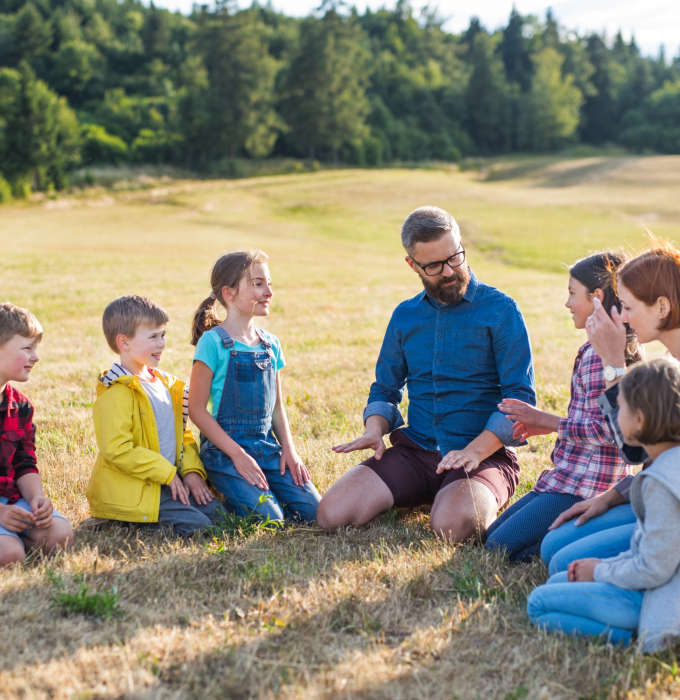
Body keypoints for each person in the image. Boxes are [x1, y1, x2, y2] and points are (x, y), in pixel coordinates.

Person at [316, 206, 535, 541]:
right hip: (416, 451)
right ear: (412, 264)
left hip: (482, 455)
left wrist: (474, 452)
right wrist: (375, 429)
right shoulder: (404, 316)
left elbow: (519, 396)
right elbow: (385, 389)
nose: (449, 271)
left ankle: (458, 495)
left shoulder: (502, 310)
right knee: (332, 515)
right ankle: (430, 492)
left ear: (461, 246)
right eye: (434, 265)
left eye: (455, 257)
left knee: (451, 527)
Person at [486, 253, 641, 561]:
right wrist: (544, 426)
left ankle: (573, 539)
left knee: (499, 549)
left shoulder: (603, 357)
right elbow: (590, 418)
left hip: (584, 485)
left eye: (572, 293)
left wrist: (545, 418)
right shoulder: (593, 350)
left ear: (596, 297)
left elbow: (607, 430)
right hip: (568, 475)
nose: (567, 303)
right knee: (490, 538)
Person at [541, 241, 680, 574]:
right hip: (660, 492)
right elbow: (656, 457)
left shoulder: (670, 375)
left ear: (662, 306)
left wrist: (614, 365)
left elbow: (633, 450)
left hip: (671, 511)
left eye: (629, 307)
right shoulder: (668, 363)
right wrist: (612, 496)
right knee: (553, 546)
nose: (624, 317)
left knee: (560, 559)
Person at [527, 357, 680, 652]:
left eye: (619, 407)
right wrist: (602, 566)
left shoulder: (662, 483)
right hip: (655, 584)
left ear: (639, 421)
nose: (613, 414)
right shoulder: (667, 463)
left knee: (538, 603)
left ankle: (640, 636)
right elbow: (646, 551)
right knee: (558, 579)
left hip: (658, 598)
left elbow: (652, 570)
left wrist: (598, 572)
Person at [188, 250, 321, 523]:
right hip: (225, 452)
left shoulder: (271, 344)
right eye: (258, 284)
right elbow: (197, 411)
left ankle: (258, 490)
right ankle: (222, 493)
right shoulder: (212, 343)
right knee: (271, 520)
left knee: (316, 513)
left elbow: (277, 408)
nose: (269, 291)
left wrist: (289, 450)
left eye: (269, 283)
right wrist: (237, 455)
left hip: (266, 447)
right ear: (229, 293)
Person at [87, 295, 223, 535]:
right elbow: (116, 448)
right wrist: (168, 474)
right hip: (135, 491)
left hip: (168, 481)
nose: (161, 344)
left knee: (220, 517)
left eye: (163, 335)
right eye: (153, 337)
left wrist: (191, 472)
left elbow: (183, 435)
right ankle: (119, 521)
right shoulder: (117, 391)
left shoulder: (166, 384)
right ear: (124, 342)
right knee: (199, 528)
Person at [0, 303, 74, 567]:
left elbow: (24, 462)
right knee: (10, 555)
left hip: (10, 498)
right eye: (27, 348)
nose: (36, 357)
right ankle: (11, 543)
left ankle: (13, 538)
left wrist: (35, 500)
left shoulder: (20, 404)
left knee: (60, 536)